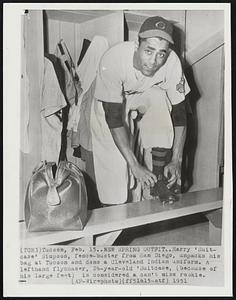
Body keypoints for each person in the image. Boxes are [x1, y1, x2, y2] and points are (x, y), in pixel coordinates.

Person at [90, 16, 190, 206]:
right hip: (110, 104)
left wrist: (176, 159)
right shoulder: (113, 59)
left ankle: (158, 181)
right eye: (149, 51)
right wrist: (134, 165)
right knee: (115, 168)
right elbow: (114, 118)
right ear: (137, 44)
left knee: (160, 97)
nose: (154, 61)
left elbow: (180, 113)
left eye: (161, 53)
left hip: (141, 94)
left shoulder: (172, 62)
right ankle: (113, 210)